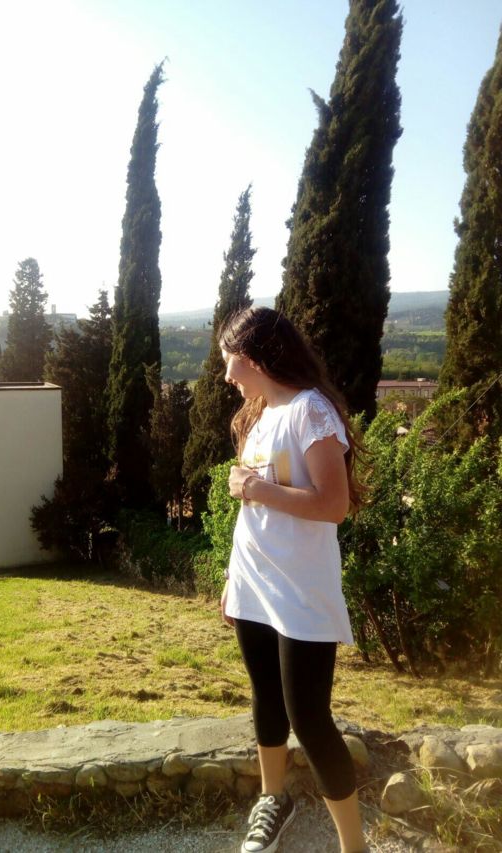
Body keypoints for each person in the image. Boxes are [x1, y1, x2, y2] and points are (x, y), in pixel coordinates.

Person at [219, 306, 366, 853]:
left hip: (301, 589)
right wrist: (233, 578)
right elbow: (253, 515)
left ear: (255, 356)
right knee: (266, 699)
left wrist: (254, 488)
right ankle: (272, 800)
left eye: (230, 360)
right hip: (253, 581)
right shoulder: (260, 417)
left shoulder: (310, 411)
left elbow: (333, 504)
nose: (227, 375)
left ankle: (354, 846)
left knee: (310, 718)